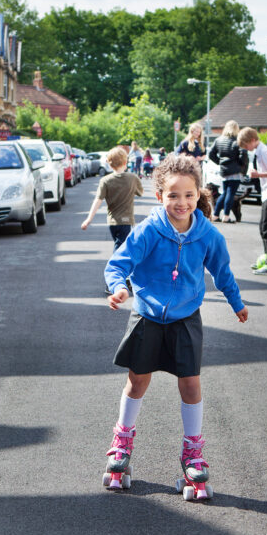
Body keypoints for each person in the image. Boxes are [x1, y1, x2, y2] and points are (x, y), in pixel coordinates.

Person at [101, 154, 248, 499]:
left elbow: (222, 272)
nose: (181, 202)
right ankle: (121, 444)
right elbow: (117, 264)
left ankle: (193, 453)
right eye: (173, 195)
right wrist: (119, 287)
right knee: (137, 380)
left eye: (188, 195)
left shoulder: (207, 235)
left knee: (191, 385)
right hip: (148, 315)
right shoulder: (148, 231)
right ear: (159, 197)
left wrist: (236, 302)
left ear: (198, 194)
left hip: (185, 319)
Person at [81, 146, 144, 292]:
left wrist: (89, 219)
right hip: (126, 221)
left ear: (109, 164)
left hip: (112, 223)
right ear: (125, 161)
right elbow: (140, 192)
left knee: (121, 248)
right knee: (120, 252)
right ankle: (113, 283)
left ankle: (124, 278)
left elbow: (98, 200)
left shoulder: (105, 180)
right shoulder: (132, 178)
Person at [238, 127, 267, 275]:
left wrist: (258, 174)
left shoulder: (264, 152)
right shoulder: (259, 152)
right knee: (263, 227)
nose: (246, 149)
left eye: (246, 146)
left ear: (252, 140)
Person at [208, 120, 248, 223]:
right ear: (236, 129)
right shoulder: (237, 141)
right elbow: (243, 155)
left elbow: (211, 154)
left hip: (224, 171)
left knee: (225, 192)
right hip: (235, 171)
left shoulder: (218, 140)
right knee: (230, 193)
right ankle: (226, 216)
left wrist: (220, 162)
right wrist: (241, 165)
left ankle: (216, 215)